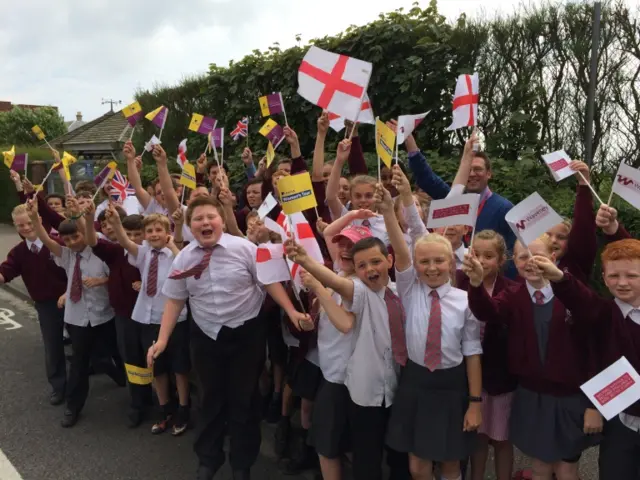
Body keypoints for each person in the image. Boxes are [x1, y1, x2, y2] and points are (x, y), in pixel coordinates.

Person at [146, 196, 311, 480]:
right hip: (206, 335)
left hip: (246, 334)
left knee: (244, 400)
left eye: (211, 216)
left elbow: (269, 282)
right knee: (210, 399)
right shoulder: (184, 257)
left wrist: (291, 310)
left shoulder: (245, 249)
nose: (205, 222)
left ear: (222, 220)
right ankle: (208, 459)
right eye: (198, 219)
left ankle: (241, 463)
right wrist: (162, 340)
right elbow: (174, 300)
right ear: (189, 226)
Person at [463, 235, 601, 480]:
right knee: (539, 469)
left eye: (538, 255)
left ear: (553, 258)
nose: (530, 262)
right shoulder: (514, 296)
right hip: (531, 396)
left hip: (570, 398)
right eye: (523, 256)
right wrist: (475, 285)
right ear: (514, 261)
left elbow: (593, 344)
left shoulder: (572, 293)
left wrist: (593, 404)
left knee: (567, 470)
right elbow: (488, 311)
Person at [284, 234, 410, 480]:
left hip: (398, 386)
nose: (369, 269)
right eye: (362, 265)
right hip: (363, 390)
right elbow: (338, 284)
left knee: (398, 455)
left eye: (375, 262)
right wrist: (307, 262)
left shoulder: (400, 291)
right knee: (365, 455)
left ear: (389, 260)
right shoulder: (359, 291)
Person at [377, 184, 482, 480]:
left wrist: (475, 404)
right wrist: (389, 211)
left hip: (452, 386)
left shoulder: (465, 301)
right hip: (416, 382)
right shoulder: (410, 290)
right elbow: (401, 247)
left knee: (450, 463)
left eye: (439, 261)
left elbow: (472, 352)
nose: (432, 267)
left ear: (452, 264)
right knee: (417, 465)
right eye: (424, 261)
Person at [539, 238, 640, 479]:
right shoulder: (604, 314)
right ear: (604, 278)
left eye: (632, 276)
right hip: (622, 420)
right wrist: (560, 278)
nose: (622, 283)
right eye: (614, 276)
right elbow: (580, 298)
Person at [27, 196, 125, 428]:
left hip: (104, 314)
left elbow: (116, 276)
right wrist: (34, 219)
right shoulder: (67, 255)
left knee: (117, 352)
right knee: (79, 363)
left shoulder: (100, 250)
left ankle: (128, 382)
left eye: (75, 236)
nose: (71, 242)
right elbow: (45, 238)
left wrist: (102, 280)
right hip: (78, 317)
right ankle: (73, 406)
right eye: (66, 238)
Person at [455, 231, 518, 480]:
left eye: (489, 256)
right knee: (478, 436)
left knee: (501, 438)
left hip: (499, 378)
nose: (481, 260)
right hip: (468, 375)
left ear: (502, 260)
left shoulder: (512, 289)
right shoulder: (458, 280)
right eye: (477, 254)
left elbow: (490, 312)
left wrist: (477, 285)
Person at [84, 205, 147, 428]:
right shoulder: (114, 252)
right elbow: (92, 241)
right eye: (127, 234)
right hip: (125, 316)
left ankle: (164, 401)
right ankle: (138, 403)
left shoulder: (151, 253)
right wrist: (90, 216)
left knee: (153, 360)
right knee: (132, 360)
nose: (131, 239)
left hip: (151, 317)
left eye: (137, 235)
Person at [406, 133, 516, 259]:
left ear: (489, 173)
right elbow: (427, 179)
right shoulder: (454, 200)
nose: (472, 174)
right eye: (469, 169)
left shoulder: (505, 209)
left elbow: (513, 252)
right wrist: (410, 142)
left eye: (478, 169)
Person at [0, 204, 68, 406]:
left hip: (71, 299)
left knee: (89, 344)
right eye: (21, 225)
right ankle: (59, 387)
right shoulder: (19, 252)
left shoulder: (57, 243)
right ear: (15, 226)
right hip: (46, 304)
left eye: (30, 223)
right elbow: (6, 271)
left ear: (38, 221)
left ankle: (111, 370)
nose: (26, 228)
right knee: (53, 346)